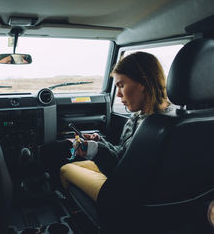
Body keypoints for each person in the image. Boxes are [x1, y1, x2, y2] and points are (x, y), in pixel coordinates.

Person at [57, 52, 171, 201]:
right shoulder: (149, 117)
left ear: (143, 83)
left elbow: (123, 174)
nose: (117, 94)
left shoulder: (152, 127)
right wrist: (99, 142)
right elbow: (123, 156)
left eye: (121, 86)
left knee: (66, 169)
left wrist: (96, 150)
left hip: (127, 195)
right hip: (142, 188)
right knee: (78, 164)